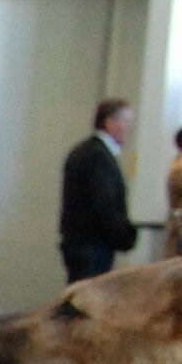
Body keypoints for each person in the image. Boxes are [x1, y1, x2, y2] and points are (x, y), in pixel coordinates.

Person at [59, 98, 139, 283]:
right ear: (110, 123)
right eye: (126, 121)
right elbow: (104, 204)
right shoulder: (97, 156)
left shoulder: (88, 152)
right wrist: (125, 236)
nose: (130, 128)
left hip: (84, 244)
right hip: (92, 246)